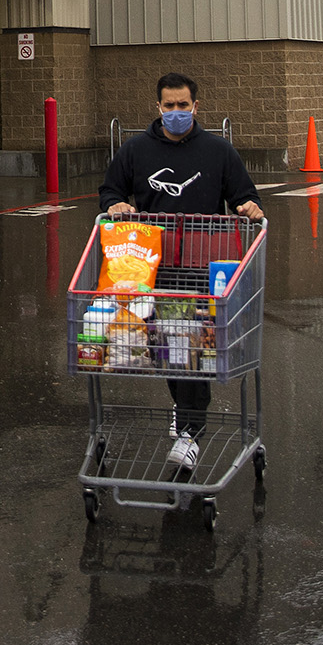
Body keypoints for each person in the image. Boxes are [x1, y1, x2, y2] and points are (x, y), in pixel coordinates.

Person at [99, 72, 263, 471]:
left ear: (196, 106)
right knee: (172, 350)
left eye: (183, 106)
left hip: (204, 271)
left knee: (199, 351)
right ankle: (185, 414)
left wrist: (249, 207)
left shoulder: (218, 151)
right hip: (155, 269)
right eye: (169, 106)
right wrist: (117, 205)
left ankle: (190, 432)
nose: (176, 112)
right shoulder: (136, 150)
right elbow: (110, 191)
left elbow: (245, 194)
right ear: (157, 107)